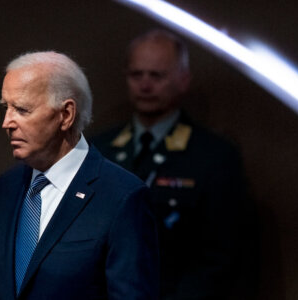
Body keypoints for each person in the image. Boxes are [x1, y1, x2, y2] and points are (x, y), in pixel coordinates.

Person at [0, 51, 159, 299]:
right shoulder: (5, 188)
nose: (7, 122)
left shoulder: (122, 197)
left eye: (22, 109)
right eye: (6, 107)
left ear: (66, 115)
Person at [92, 29, 251, 299]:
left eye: (156, 76)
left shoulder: (214, 155)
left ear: (183, 80)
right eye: (136, 75)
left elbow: (221, 257)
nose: (144, 86)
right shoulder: (99, 149)